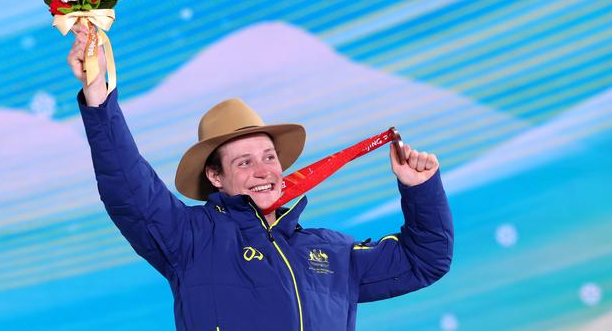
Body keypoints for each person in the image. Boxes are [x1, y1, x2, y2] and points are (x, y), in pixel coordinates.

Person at [69, 24, 453, 331]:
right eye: (244, 162)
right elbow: (128, 186)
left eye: (269, 157)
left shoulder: (330, 253)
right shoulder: (191, 239)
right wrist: (98, 96)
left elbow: (423, 260)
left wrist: (420, 190)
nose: (263, 171)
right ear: (215, 176)